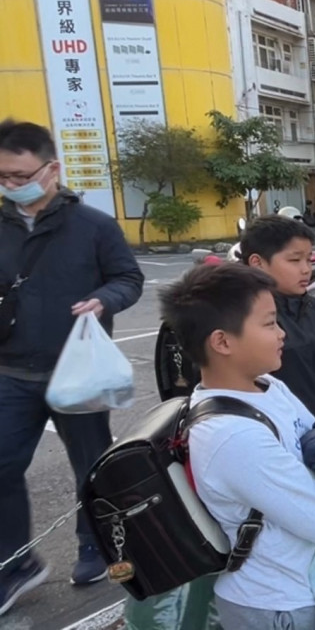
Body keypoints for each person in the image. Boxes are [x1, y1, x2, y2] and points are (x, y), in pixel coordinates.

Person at [159, 264, 315, 630]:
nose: (282, 334)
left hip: (310, 583)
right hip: (276, 605)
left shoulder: (267, 387)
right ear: (222, 342)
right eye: (269, 323)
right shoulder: (231, 437)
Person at [0, 120, 145, 614]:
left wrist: (103, 300)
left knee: (91, 465)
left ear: (51, 168)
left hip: (78, 371)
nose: (12, 186)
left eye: (21, 176)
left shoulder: (93, 226)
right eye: (3, 176)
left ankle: (95, 545)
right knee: (2, 464)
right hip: (11, 370)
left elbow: (129, 278)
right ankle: (15, 563)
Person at [238, 215, 315, 416]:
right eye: (295, 260)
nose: (306, 269)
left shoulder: (312, 307)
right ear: (257, 262)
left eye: (309, 260)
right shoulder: (243, 318)